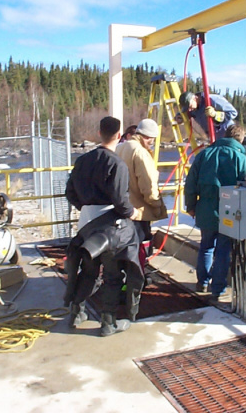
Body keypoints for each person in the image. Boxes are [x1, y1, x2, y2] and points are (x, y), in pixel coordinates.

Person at [64, 116, 144, 337]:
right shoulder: (117, 164)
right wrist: (133, 212)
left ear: (99, 133)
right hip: (111, 228)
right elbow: (120, 201)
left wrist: (85, 206)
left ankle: (76, 312)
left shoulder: (82, 161)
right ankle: (108, 323)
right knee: (112, 274)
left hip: (86, 223)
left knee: (88, 271)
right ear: (119, 136)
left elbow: (69, 192)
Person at [184, 125, 246, 300]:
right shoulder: (241, 158)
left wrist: (190, 205)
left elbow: (190, 183)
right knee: (223, 250)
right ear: (240, 140)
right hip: (231, 211)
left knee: (206, 246)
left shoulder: (204, 155)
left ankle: (202, 282)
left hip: (205, 209)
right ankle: (217, 289)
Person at [115, 118, 168, 262]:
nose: (152, 143)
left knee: (125, 248)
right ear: (149, 137)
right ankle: (136, 279)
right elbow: (148, 185)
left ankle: (125, 278)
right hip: (139, 212)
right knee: (138, 250)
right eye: (152, 140)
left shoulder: (120, 147)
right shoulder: (140, 153)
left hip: (122, 208)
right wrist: (156, 206)